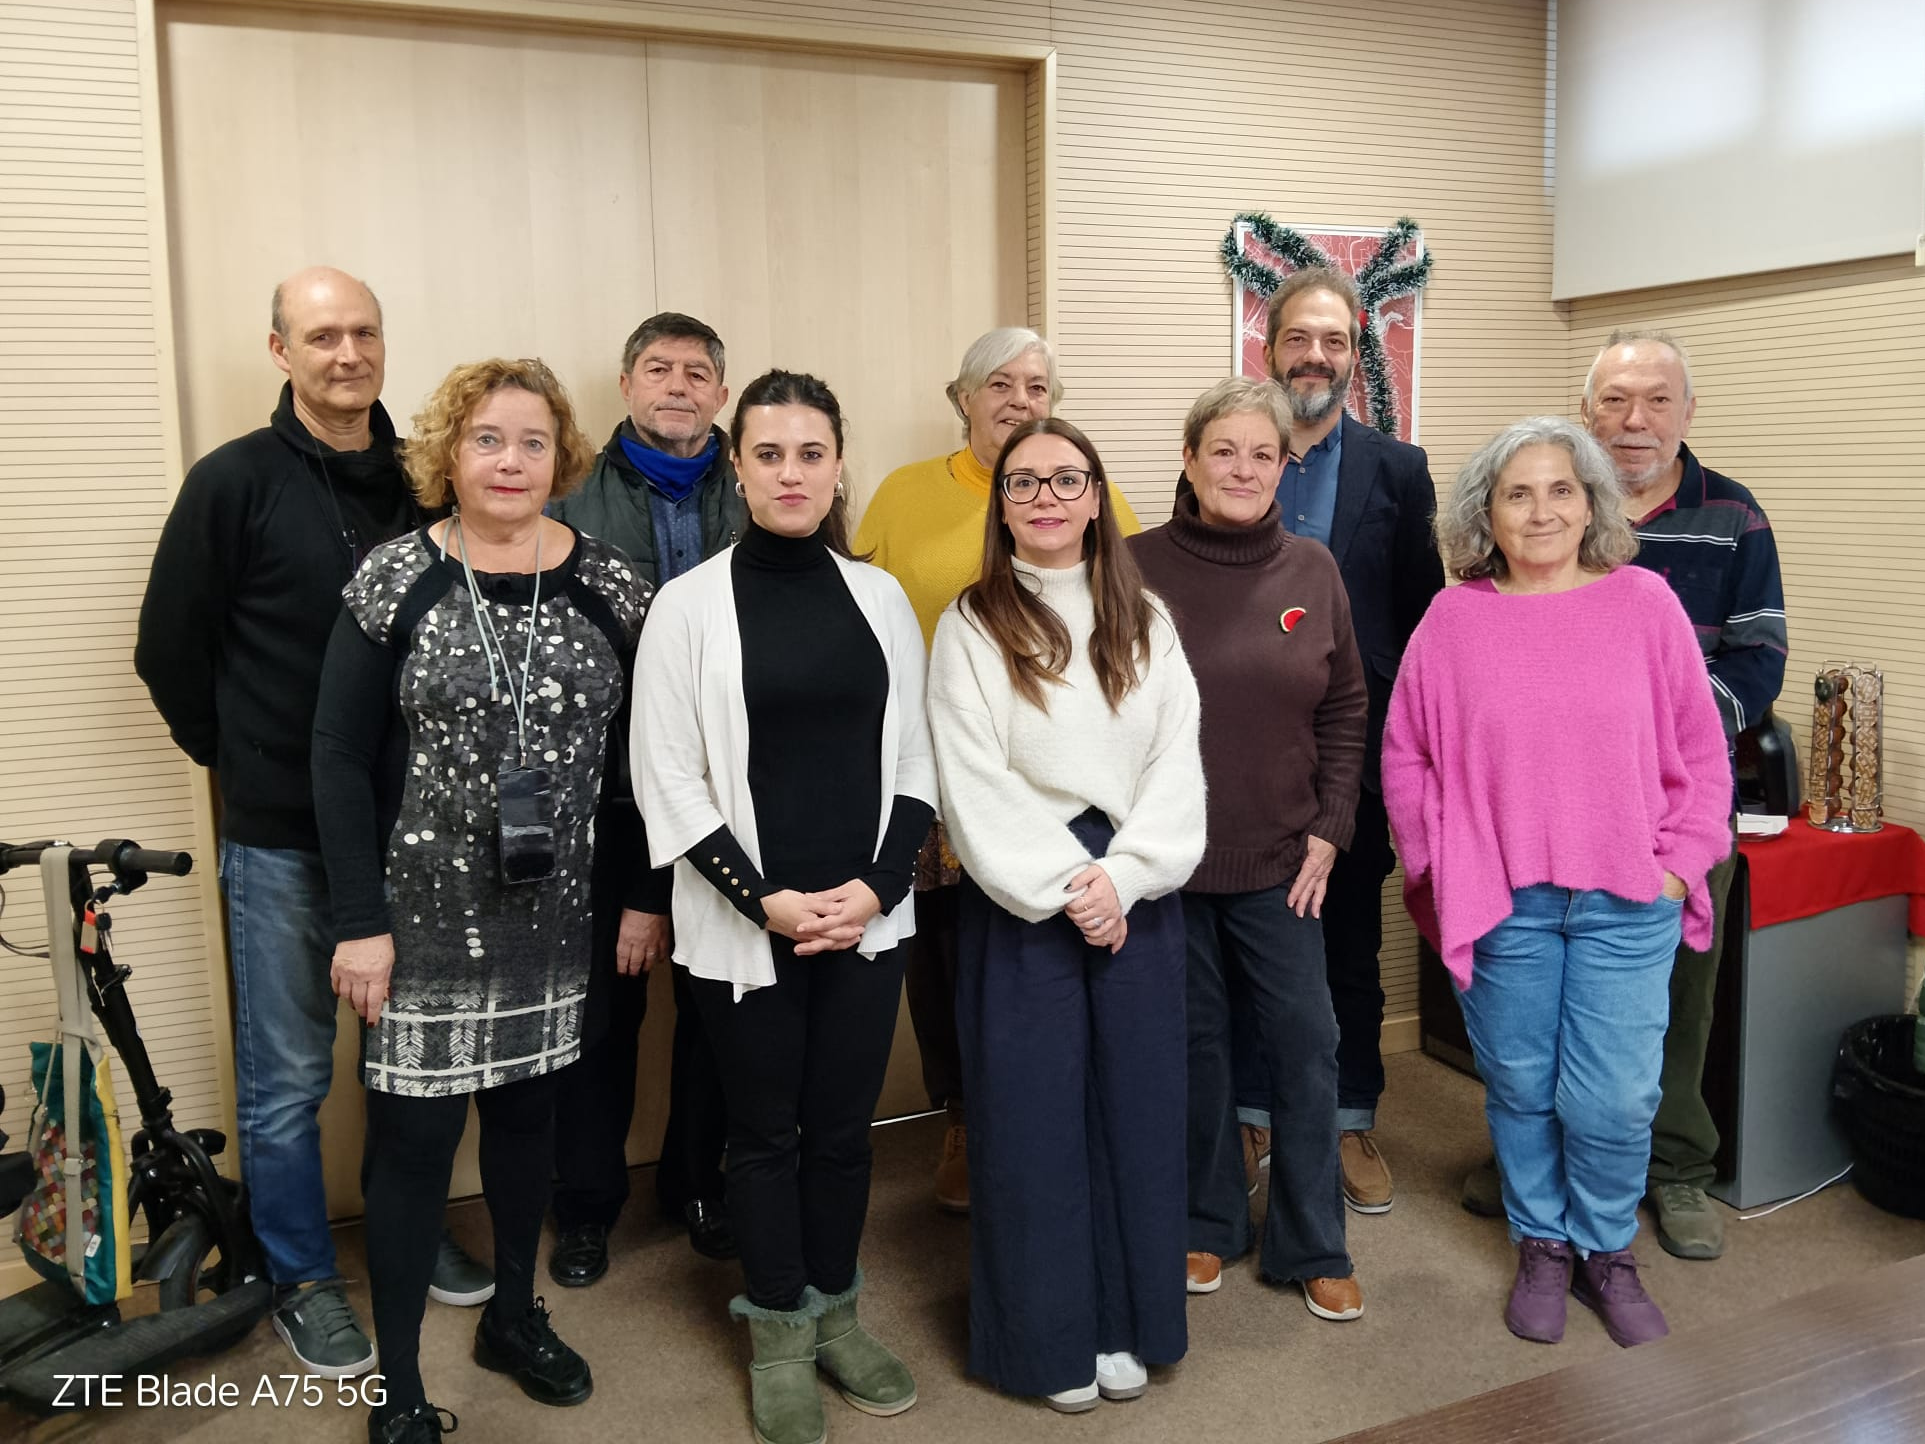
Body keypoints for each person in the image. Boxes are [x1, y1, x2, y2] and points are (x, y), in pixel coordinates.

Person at [133, 266, 489, 1378]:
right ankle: (299, 1276)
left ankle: (403, 1228)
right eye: (322, 335)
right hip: (282, 839)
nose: (348, 354)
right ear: (281, 350)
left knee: (409, 1067)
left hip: (415, 839)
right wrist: (244, 764)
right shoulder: (230, 484)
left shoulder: (428, 482)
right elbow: (168, 653)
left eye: (365, 332)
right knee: (288, 1076)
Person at [312, 357, 650, 1444]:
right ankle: (400, 1381)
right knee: (409, 1157)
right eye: (487, 439)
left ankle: (513, 1314)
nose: (511, 461)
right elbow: (334, 754)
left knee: (526, 1130)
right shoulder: (391, 578)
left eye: (533, 442)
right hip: (417, 923)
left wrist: (642, 898)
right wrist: (358, 921)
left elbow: (648, 762)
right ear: (446, 454)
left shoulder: (610, 583)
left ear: (564, 458)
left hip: (557, 918)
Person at [1384, 416, 1731, 1349]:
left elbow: (1701, 754)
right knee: (1521, 1083)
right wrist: (1439, 864)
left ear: (1590, 504)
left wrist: (1673, 868)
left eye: (1560, 490)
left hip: (1628, 896)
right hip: (1505, 902)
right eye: (1516, 493)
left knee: (1613, 1099)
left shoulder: (1644, 604)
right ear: (1484, 515)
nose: (1541, 511)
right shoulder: (1453, 618)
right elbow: (1406, 756)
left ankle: (1605, 1248)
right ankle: (1542, 1243)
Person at [635, 370, 934, 1444]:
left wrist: (877, 887)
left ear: (837, 464)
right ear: (736, 464)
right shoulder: (686, 606)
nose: (790, 472)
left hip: (865, 922)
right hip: (743, 926)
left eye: (810, 453)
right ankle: (777, 1331)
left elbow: (916, 759)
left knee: (843, 1135)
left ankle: (837, 1313)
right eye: (768, 453)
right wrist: (762, 900)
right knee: (763, 1136)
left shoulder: (880, 598)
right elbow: (665, 778)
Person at [1461, 333, 1789, 1266]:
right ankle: (1541, 1172)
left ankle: (1675, 1169)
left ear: (1687, 412)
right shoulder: (1549, 515)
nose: (1632, 420)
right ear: (1586, 409)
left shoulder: (1732, 515)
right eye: (1613, 401)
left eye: (1654, 400)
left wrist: (1647, 746)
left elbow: (1757, 658)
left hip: (1673, 818)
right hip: (1546, 821)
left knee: (1669, 1011)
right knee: (1533, 1016)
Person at [926, 417, 1204, 1412]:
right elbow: (971, 778)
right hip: (1021, 896)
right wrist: (1066, 884)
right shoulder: (968, 624)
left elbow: (1178, 765)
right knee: (1031, 1125)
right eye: (1023, 482)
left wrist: (1120, 879)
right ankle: (1046, 1341)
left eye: (1066, 479)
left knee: (1134, 1116)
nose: (1045, 497)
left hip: (1134, 893)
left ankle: (1127, 1322)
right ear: (999, 505)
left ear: (1095, 495)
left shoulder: (1146, 618)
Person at [855, 327, 1141, 1212]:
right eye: (1000, 385)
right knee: (945, 957)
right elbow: (864, 614)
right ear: (964, 398)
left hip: (1053, 770)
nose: (1021, 401)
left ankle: (1057, 1118)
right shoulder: (903, 495)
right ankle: (962, 1118)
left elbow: (1126, 609)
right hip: (935, 766)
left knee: (1042, 939)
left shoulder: (1091, 491)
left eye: (1037, 386)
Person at [1176, 267, 1443, 1213]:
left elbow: (1421, 625)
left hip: (1348, 755)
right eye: (1301, 338)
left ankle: (1347, 1119)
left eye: (1335, 341)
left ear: (1352, 356)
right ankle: (1252, 1114)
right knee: (1240, 949)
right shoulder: (1223, 455)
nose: (1317, 356)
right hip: (1233, 763)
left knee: (1344, 950)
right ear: (1270, 346)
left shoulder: (1397, 471)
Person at [1135, 377, 1368, 1320]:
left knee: (1306, 1046)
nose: (1241, 468)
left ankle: (1311, 1238)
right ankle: (1205, 1221)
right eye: (1221, 450)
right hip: (1168, 863)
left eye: (1261, 454)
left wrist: (1330, 825)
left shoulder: (1312, 571)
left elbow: (1347, 706)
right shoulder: (1129, 563)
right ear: (1189, 460)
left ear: (1283, 466)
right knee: (1194, 1046)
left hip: (1282, 860)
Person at [547, 312, 746, 1283]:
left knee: (716, 1006)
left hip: (730, 796)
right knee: (601, 1016)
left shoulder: (756, 484)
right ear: (626, 385)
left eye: (696, 371)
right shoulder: (572, 492)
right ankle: (585, 1205)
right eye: (658, 369)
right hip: (607, 801)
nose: (677, 384)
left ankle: (697, 1180)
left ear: (719, 391)